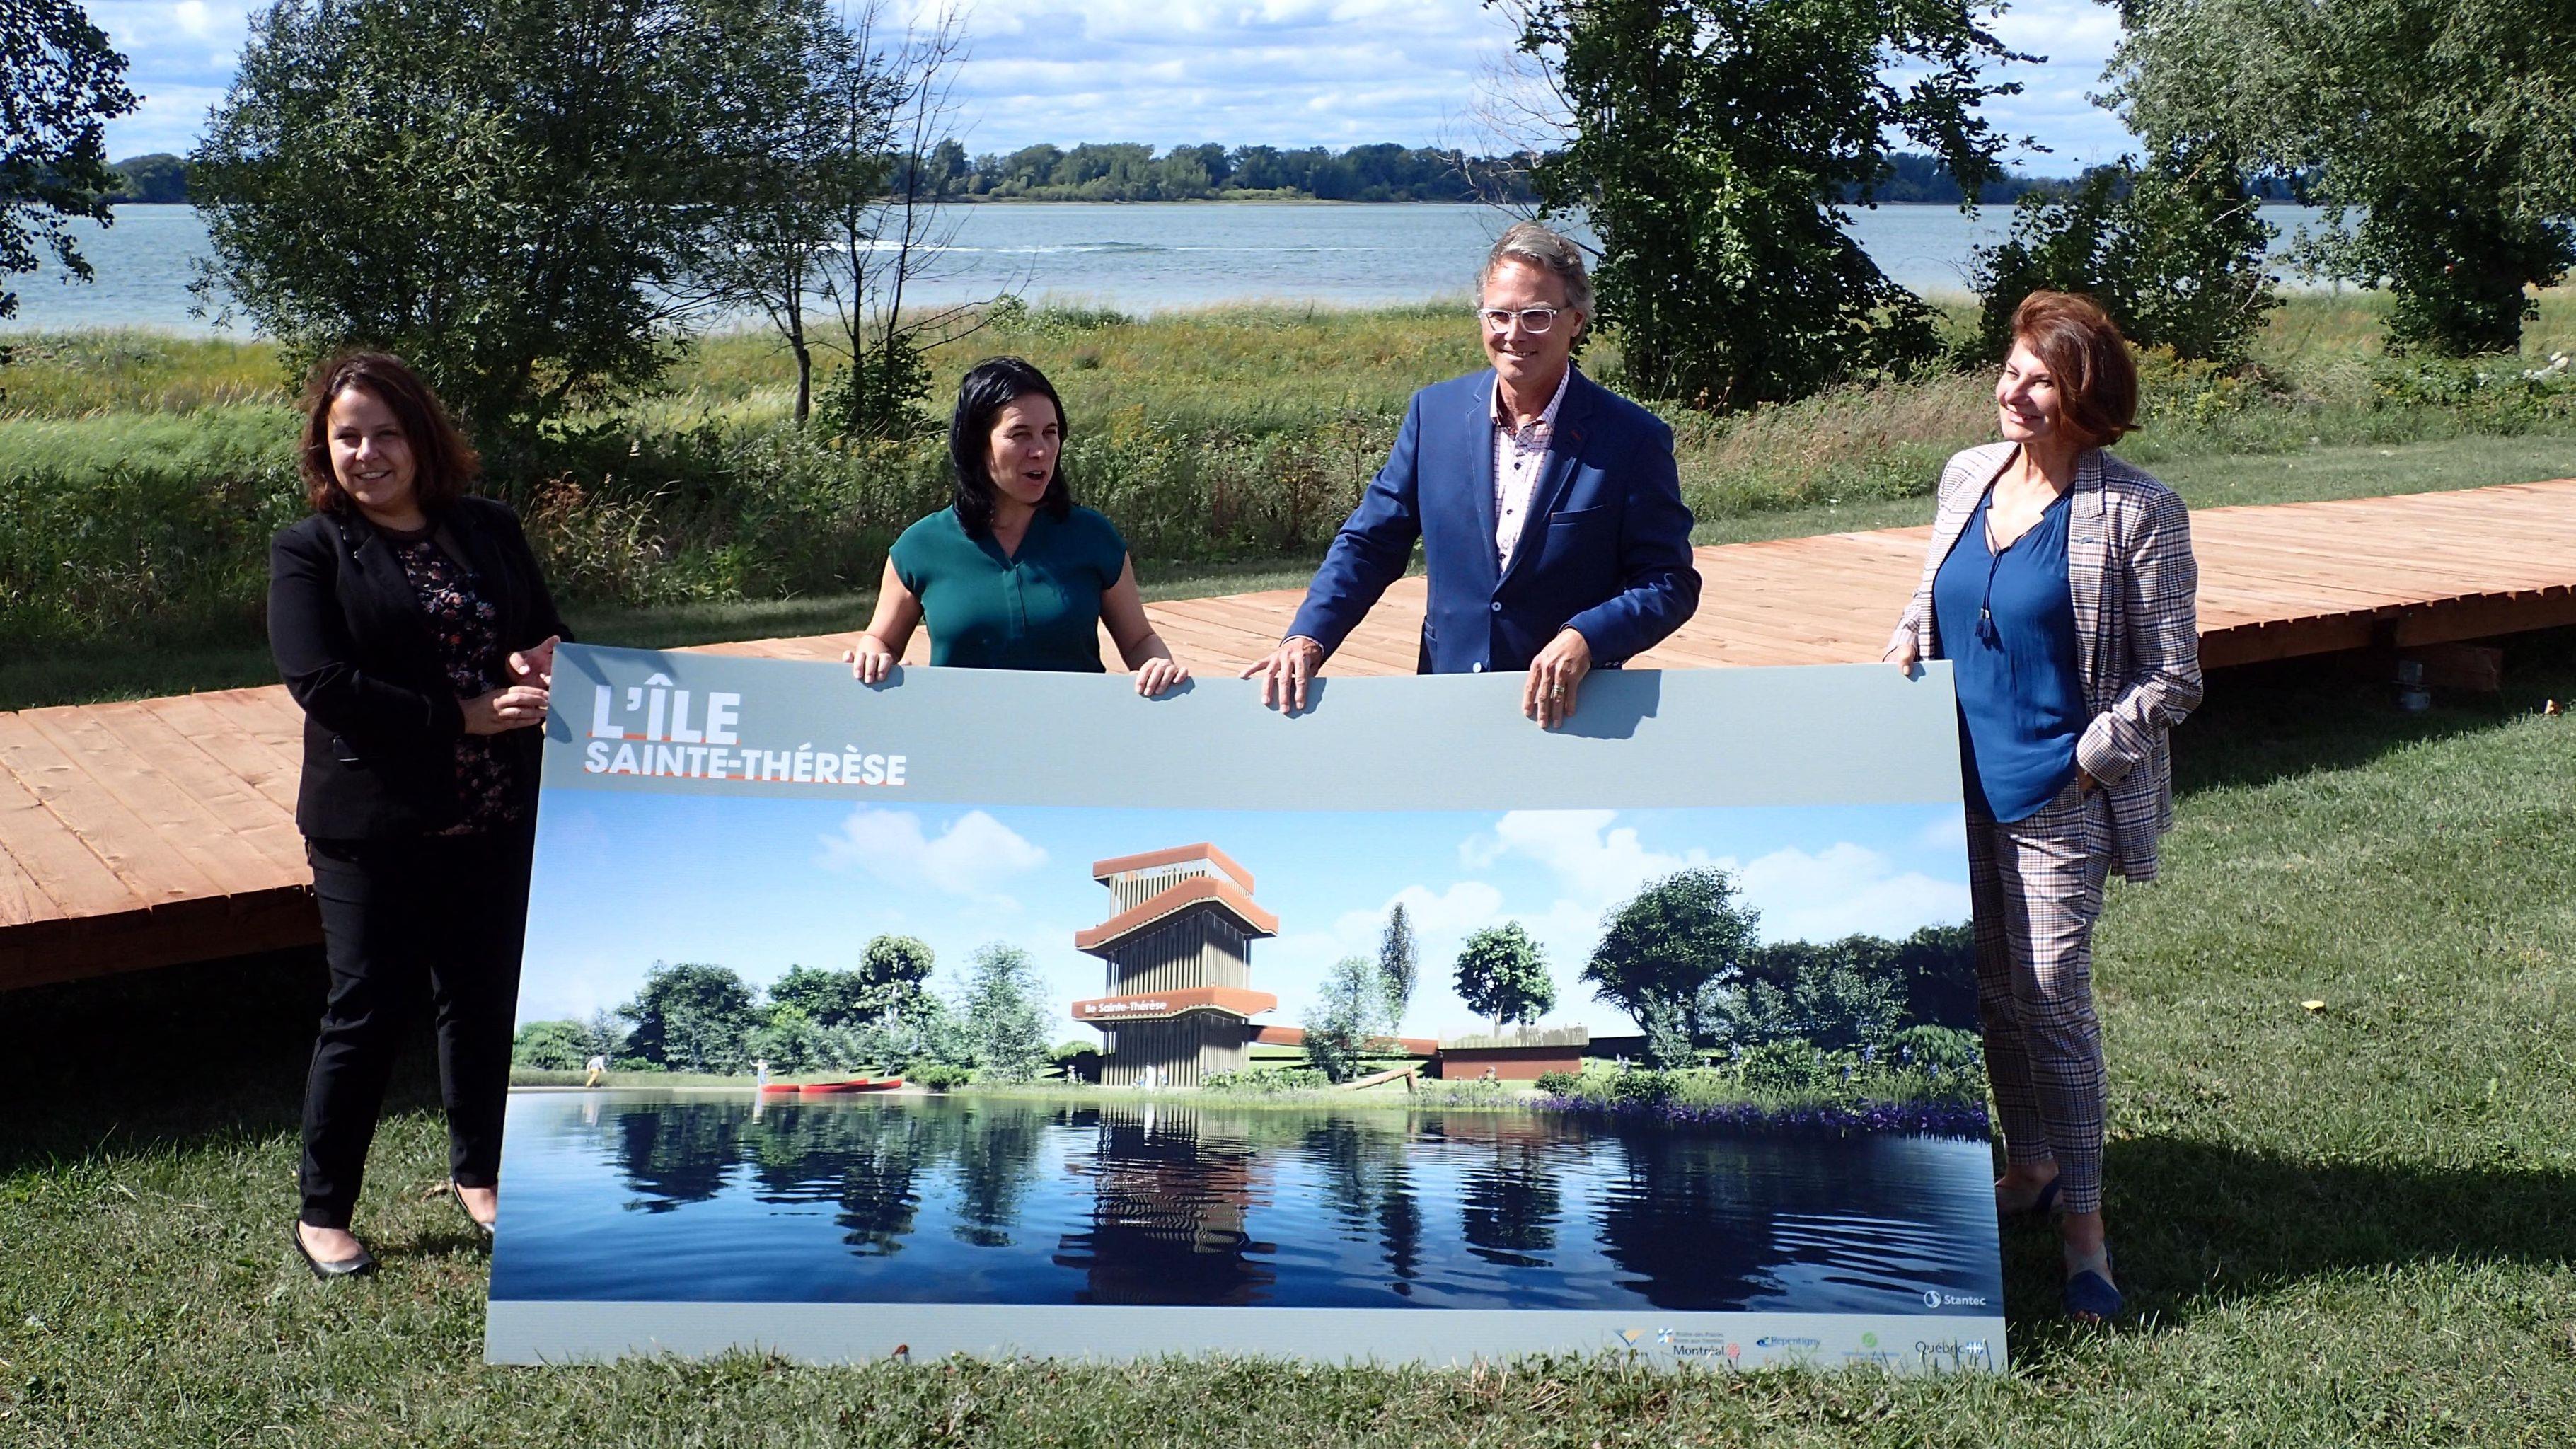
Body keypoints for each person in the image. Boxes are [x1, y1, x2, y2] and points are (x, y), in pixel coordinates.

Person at [1883, 291, 2202, 1322]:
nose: (2011, 392)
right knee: (1987, 991)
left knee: (2052, 998)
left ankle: (2085, 1236)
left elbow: (2174, 675)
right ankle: (2030, 1169)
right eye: (2009, 370)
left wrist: (2086, 760)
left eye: (2038, 379)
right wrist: (1906, 635)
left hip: (2058, 793)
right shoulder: (1966, 475)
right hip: (1950, 784)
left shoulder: (2136, 510)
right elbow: (1937, 589)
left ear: (2083, 397)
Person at [269, 352, 567, 1278]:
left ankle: (482, 1175)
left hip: (496, 807)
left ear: (421, 439)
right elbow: (321, 681)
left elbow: (543, 627)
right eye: (347, 436)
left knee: (482, 1000)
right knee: (365, 1009)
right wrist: (459, 715)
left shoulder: (488, 526)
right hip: (373, 822)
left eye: (385, 433)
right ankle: (324, 1213)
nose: (367, 453)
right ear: (324, 449)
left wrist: (539, 660)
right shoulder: (309, 549)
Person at [1242, 222, 1699, 727]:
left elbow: (1668, 581)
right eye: (1499, 314)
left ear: (1575, 321)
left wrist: (1586, 638)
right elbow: (1370, 545)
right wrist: (1308, 636)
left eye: (1536, 316)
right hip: (1449, 700)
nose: (1514, 333)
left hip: (1574, 711)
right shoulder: (1434, 415)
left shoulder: (1631, 437)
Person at [845, 357, 1187, 695]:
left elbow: (1140, 641)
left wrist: (1157, 666)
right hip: (961, 726)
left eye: (1050, 433)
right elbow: (880, 640)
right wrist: (873, 657)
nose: (1040, 451)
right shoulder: (921, 546)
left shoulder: (1094, 536)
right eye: (1020, 434)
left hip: (1073, 726)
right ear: (977, 443)